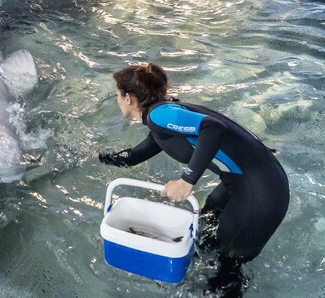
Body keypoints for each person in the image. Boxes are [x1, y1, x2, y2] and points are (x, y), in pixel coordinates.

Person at [98, 63, 289, 297]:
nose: (117, 100)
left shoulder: (160, 115)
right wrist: (98, 157)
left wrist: (187, 180)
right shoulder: (161, 119)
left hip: (261, 193)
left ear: (128, 98)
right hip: (244, 182)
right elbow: (136, 155)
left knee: (227, 267)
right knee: (207, 226)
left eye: (117, 95)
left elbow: (213, 128)